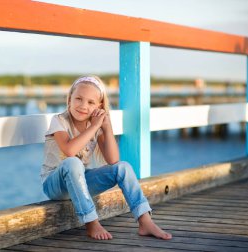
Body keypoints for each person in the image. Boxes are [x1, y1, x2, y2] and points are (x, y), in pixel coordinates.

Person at [41, 75, 172, 240]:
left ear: (99, 106)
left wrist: (106, 127)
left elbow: (113, 160)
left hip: (81, 183)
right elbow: (70, 150)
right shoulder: (59, 120)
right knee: (72, 162)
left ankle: (145, 220)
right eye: (78, 99)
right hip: (54, 184)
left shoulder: (95, 125)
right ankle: (91, 222)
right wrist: (95, 126)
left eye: (90, 102)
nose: (83, 106)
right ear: (69, 100)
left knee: (123, 167)